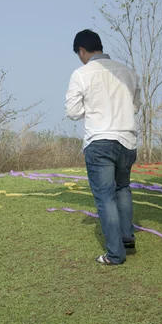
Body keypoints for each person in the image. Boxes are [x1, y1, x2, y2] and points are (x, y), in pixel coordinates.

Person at [65, 29, 141, 265]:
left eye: (79, 54)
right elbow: (136, 105)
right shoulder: (128, 71)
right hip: (127, 140)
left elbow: (73, 111)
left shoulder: (81, 74)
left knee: (105, 197)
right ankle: (127, 237)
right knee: (123, 188)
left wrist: (95, 108)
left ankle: (115, 254)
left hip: (99, 141)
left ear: (82, 51)